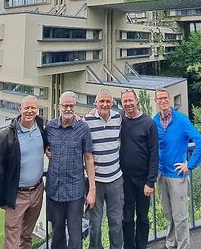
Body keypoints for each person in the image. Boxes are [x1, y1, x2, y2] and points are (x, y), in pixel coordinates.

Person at [153, 89, 201, 249]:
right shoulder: (155, 120)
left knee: (180, 216)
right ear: (156, 101)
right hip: (161, 173)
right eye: (159, 98)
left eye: (165, 98)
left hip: (177, 175)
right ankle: (171, 244)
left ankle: (183, 246)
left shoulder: (181, 120)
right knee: (168, 213)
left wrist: (189, 165)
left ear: (168, 99)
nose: (162, 101)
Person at [0, 95, 48, 249]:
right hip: (17, 194)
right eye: (27, 108)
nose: (30, 111)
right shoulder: (8, 136)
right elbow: (0, 170)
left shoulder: (41, 127)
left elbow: (49, 144)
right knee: (12, 239)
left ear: (37, 110)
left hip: (37, 190)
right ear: (20, 110)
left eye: (33, 108)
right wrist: (2, 199)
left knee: (27, 236)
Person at [45, 91, 96, 249]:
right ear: (59, 106)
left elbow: (88, 158)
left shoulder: (83, 128)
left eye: (71, 105)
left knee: (75, 235)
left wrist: (92, 189)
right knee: (57, 233)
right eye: (65, 105)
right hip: (55, 189)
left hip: (75, 190)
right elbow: (44, 147)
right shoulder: (50, 127)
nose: (68, 108)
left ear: (75, 106)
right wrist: (47, 150)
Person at [84, 89, 124, 249]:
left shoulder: (118, 118)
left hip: (115, 179)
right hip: (95, 182)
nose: (105, 104)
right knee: (95, 224)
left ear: (112, 103)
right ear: (95, 103)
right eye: (101, 101)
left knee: (116, 221)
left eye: (108, 101)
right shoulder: (86, 121)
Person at [120, 89, 158, 249]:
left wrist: (150, 181)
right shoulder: (120, 119)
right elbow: (102, 115)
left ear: (136, 101)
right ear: (121, 103)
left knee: (142, 216)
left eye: (130, 100)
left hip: (143, 179)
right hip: (125, 179)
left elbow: (154, 153)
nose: (128, 104)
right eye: (125, 101)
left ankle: (141, 246)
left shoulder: (148, 123)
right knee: (127, 217)